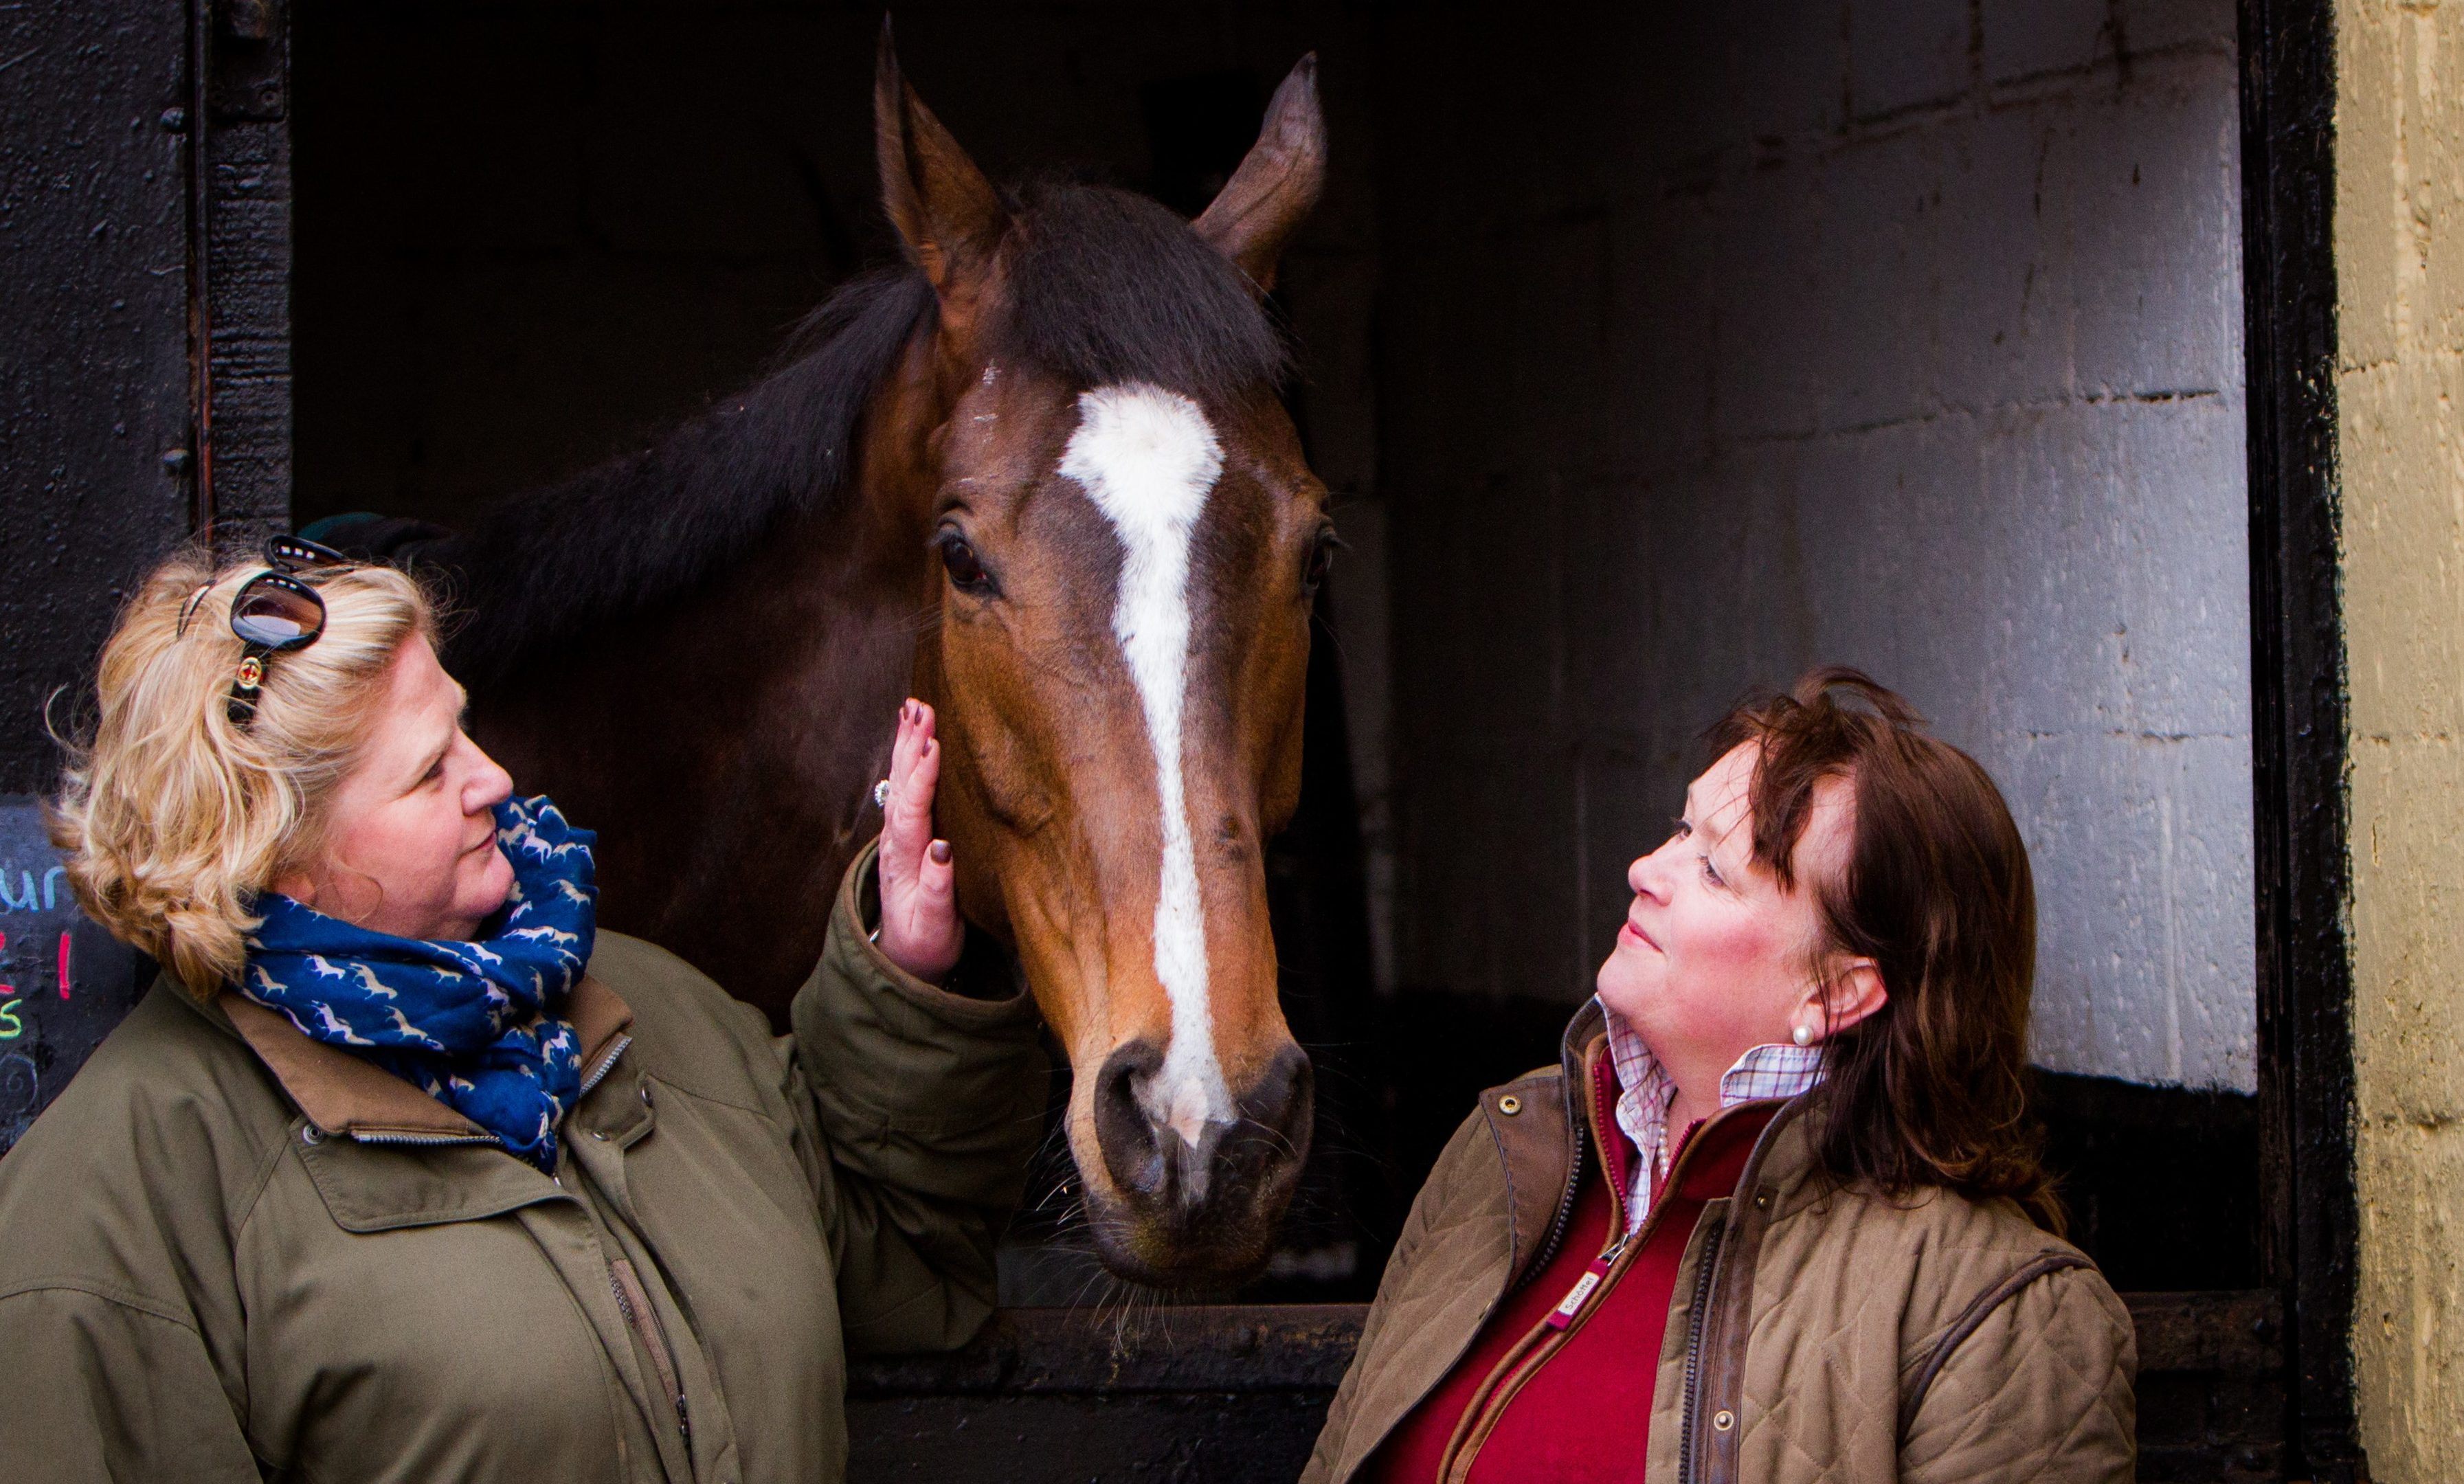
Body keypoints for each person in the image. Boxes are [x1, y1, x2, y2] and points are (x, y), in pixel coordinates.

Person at [0, 540, 1044, 1483]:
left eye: (463, 726)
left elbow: (905, 1268)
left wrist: (910, 982)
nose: (492, 777)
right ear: (280, 857)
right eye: (427, 773)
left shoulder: (648, 1006)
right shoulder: (120, 1195)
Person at [1304, 668, 2136, 1484]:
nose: (1644, 869)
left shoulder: (1995, 1309)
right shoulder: (1509, 1153)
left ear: (1838, 989)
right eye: (1680, 831)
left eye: (1713, 871)